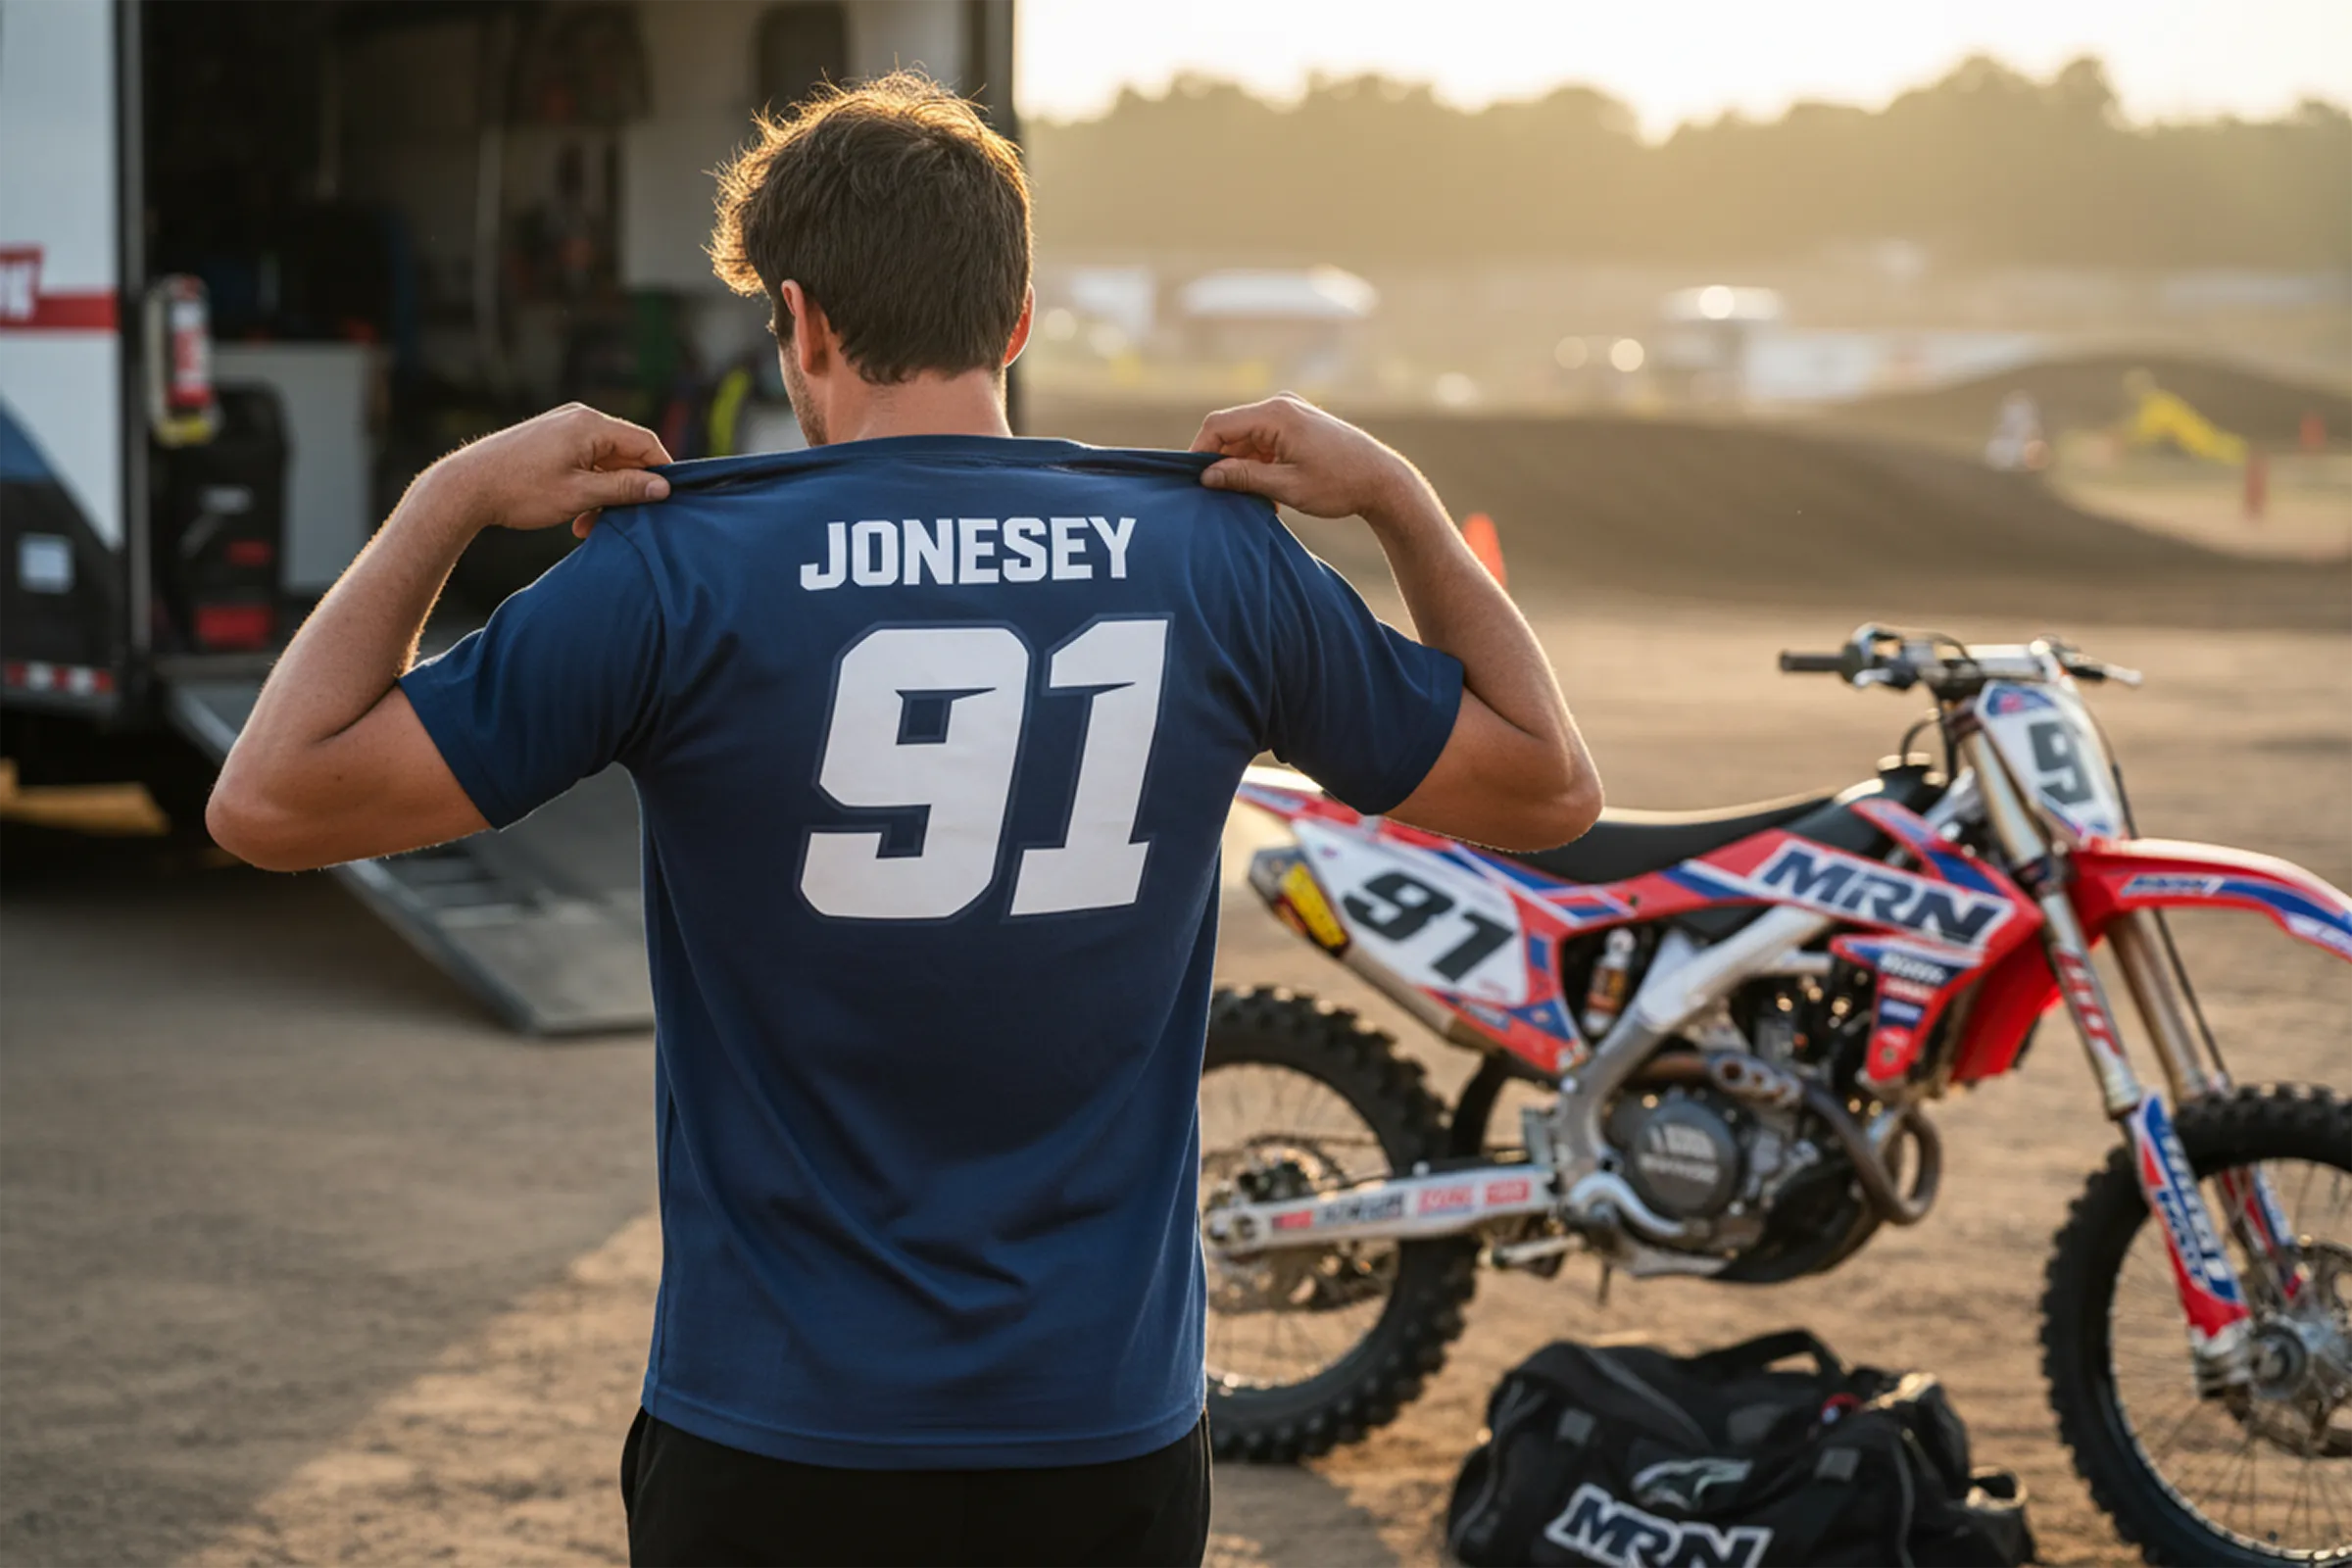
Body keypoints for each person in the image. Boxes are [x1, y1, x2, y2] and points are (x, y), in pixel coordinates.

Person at [207, 73, 1600, 1568]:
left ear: (798, 320)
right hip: (1103, 1434)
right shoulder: (1215, 562)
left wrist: (449, 498)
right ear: (1015, 321)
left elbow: (273, 799)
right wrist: (1396, 496)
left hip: (776, 1433)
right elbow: (1546, 787)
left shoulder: (676, 577)